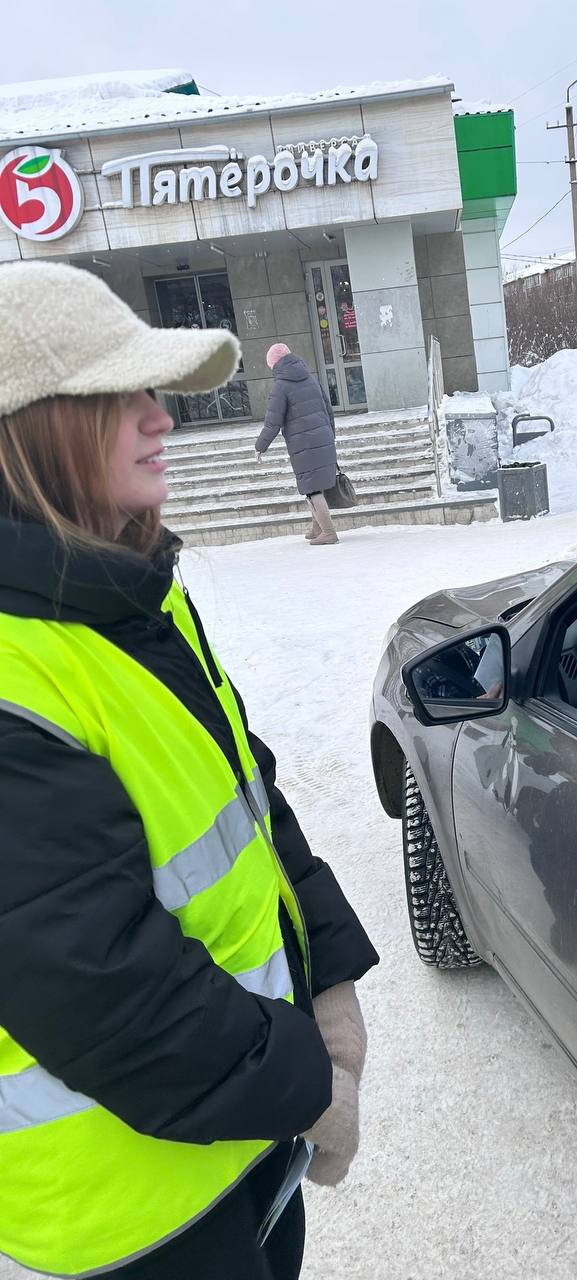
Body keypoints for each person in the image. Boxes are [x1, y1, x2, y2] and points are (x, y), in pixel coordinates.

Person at [0, 263, 379, 1280]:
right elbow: (97, 983)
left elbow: (244, 793)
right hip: (125, 1225)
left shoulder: (130, 590)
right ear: (36, 428)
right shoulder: (14, 665)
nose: (161, 418)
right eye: (121, 396)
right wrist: (307, 1079)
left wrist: (327, 970)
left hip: (235, 1148)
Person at [256, 343, 340, 546]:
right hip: (323, 437)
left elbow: (273, 421)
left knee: (311, 488)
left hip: (303, 443)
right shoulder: (310, 377)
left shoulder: (280, 386)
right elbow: (327, 407)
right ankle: (317, 528)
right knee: (315, 483)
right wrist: (330, 433)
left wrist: (260, 446)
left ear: (274, 364)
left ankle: (329, 532)